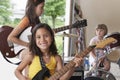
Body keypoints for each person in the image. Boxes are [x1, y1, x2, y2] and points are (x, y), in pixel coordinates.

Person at [14, 23, 83, 80]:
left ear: (52, 38)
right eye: (38, 37)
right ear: (34, 40)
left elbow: (62, 78)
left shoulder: (57, 58)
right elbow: (17, 71)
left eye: (46, 36)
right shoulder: (31, 56)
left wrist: (73, 67)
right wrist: (23, 78)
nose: (42, 40)